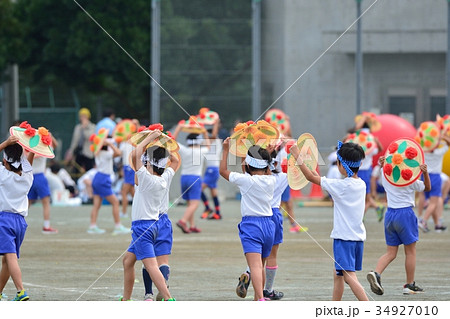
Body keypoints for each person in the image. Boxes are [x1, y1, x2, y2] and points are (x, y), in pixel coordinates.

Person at [291, 141, 369, 301]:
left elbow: (310, 177)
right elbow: (315, 175)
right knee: (338, 274)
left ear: (341, 165)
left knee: (348, 276)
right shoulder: (361, 184)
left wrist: (296, 155)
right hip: (357, 238)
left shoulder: (341, 186)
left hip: (344, 238)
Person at [121, 130, 177, 301]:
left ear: (149, 162)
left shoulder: (145, 178)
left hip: (142, 227)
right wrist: (166, 142)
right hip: (152, 225)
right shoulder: (165, 177)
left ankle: (169, 298)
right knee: (128, 261)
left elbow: (136, 155)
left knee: (151, 266)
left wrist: (152, 137)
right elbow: (174, 160)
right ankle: (125, 299)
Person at [220, 140, 276, 301]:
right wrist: (269, 155)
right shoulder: (271, 180)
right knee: (261, 265)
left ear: (247, 166)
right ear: (266, 167)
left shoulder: (246, 181)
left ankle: (259, 299)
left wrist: (225, 150)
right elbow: (266, 170)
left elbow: (223, 170)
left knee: (255, 266)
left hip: (252, 226)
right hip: (269, 225)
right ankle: (259, 297)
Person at [367, 156, 430, 296]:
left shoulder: (386, 176)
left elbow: (382, 170)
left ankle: (376, 273)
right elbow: (427, 187)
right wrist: (425, 172)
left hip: (390, 214)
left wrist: (383, 165)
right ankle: (409, 285)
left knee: (391, 252)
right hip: (405, 214)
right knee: (410, 251)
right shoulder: (410, 180)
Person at [0, 135, 35, 301]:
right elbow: (28, 164)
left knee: (10, 258)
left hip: (4, 221)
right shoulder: (28, 177)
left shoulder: (3, 175)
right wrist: (33, 151)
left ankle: (21, 291)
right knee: (7, 261)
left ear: (5, 162)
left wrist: (6, 143)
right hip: (20, 223)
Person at [173, 123, 210, 233]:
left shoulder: (184, 150)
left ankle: (192, 225)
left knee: (190, 203)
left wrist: (178, 128)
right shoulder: (201, 151)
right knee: (195, 204)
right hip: (195, 178)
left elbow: (173, 142)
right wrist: (204, 133)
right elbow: (208, 146)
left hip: (184, 178)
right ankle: (183, 221)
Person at [88, 137, 129, 235]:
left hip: (97, 178)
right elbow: (119, 153)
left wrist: (106, 143)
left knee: (96, 204)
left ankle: (92, 226)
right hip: (103, 179)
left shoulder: (97, 153)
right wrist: (110, 145)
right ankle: (118, 226)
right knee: (115, 202)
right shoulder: (106, 154)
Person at [419, 136, 450, 232]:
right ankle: (423, 221)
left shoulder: (423, 152)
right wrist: (441, 137)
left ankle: (437, 225)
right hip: (435, 177)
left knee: (430, 201)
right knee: (434, 202)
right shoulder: (438, 152)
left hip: (425, 176)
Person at [28, 155, 58, 234]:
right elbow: (54, 145)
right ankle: (46, 226)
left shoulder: (26, 146)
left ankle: (18, 223)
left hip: (29, 176)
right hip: (39, 176)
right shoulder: (43, 146)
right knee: (46, 203)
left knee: (26, 203)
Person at [200, 119, 222, 220]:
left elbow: (213, 134)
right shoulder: (209, 142)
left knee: (198, 189)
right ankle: (217, 213)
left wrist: (216, 123)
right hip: (211, 169)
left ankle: (208, 208)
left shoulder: (215, 139)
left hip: (212, 170)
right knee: (213, 192)